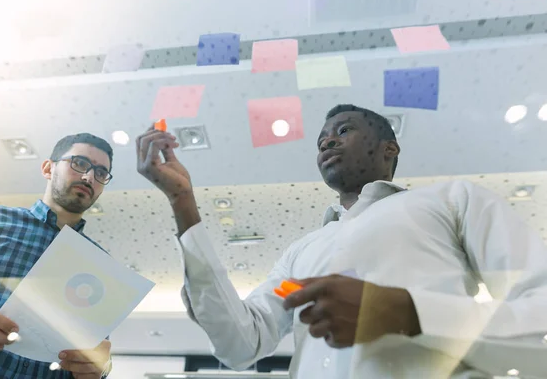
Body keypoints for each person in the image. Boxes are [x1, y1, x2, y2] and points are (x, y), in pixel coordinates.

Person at [136, 104, 547, 378]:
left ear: (390, 148)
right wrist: (183, 203)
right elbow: (242, 341)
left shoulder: (453, 201)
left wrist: (406, 312)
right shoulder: (300, 258)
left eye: (343, 131)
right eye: (321, 141)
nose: (327, 142)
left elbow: (539, 311)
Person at [0, 133, 114, 379]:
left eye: (100, 173)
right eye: (79, 163)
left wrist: (101, 368)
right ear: (48, 168)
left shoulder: (101, 264)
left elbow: (96, 350)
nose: (89, 176)